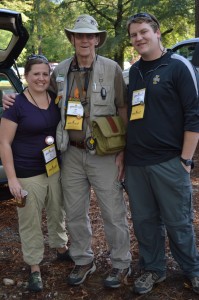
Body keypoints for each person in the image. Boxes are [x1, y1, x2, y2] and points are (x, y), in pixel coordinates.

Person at [2, 14, 132, 289]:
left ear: (97, 39)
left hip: (105, 154)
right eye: (79, 35)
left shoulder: (112, 69)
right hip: (70, 155)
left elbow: (123, 108)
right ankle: (83, 260)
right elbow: (36, 92)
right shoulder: (59, 71)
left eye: (89, 36)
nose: (84, 40)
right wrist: (11, 97)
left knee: (113, 211)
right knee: (73, 212)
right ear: (72, 39)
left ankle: (121, 264)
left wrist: (123, 150)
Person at [125, 12, 199, 295]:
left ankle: (192, 269)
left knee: (178, 221)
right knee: (144, 222)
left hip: (170, 161)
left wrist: (185, 160)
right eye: (134, 35)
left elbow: (194, 115)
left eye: (143, 32)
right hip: (137, 163)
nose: (138, 38)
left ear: (157, 32)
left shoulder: (178, 66)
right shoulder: (134, 71)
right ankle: (153, 269)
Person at [0, 55, 70, 293]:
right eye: (36, 74)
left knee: (57, 210)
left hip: (53, 168)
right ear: (26, 76)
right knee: (29, 220)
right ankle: (34, 266)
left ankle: (61, 248)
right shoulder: (16, 104)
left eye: (44, 74)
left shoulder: (54, 99)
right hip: (27, 172)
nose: (41, 78)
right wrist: (11, 178)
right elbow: (4, 143)